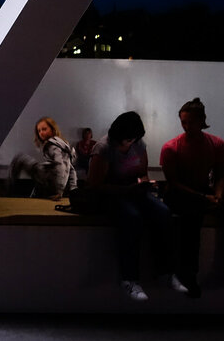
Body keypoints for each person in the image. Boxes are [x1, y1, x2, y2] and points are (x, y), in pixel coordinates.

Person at [87, 111, 186, 301]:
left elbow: (143, 172)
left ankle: (166, 273)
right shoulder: (104, 148)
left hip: (134, 191)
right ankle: (129, 279)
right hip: (112, 195)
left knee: (164, 213)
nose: (128, 143)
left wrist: (144, 184)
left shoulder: (138, 144)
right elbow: (95, 185)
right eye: (126, 140)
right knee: (132, 218)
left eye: (131, 140)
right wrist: (126, 190)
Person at [160, 98, 224, 298]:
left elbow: (221, 174)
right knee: (191, 218)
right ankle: (188, 274)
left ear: (202, 121)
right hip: (179, 194)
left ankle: (213, 270)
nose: (187, 127)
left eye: (191, 122)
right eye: (183, 122)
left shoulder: (216, 144)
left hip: (204, 192)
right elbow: (173, 182)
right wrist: (205, 197)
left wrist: (218, 195)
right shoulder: (172, 147)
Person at [8, 116, 77, 199]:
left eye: (44, 129)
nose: (41, 133)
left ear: (52, 129)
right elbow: (71, 169)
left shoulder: (52, 145)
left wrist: (59, 190)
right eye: (39, 131)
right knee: (39, 186)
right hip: (52, 182)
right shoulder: (64, 145)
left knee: (19, 158)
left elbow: (60, 166)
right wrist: (73, 188)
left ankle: (7, 190)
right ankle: (33, 196)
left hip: (49, 178)